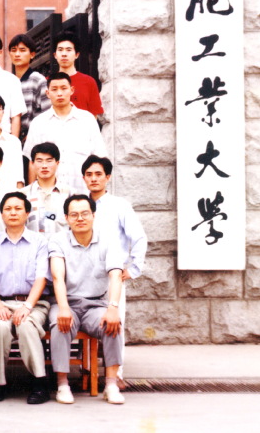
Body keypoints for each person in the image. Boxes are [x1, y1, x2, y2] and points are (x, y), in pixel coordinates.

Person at [49, 195, 126, 405]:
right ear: (66, 218)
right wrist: (63, 307)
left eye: (85, 213)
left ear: (93, 215)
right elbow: (57, 276)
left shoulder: (108, 239)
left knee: (113, 324)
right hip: (67, 301)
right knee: (59, 323)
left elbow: (116, 275)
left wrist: (113, 307)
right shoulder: (58, 240)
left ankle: (111, 385)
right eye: (74, 214)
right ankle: (62, 385)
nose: (80, 218)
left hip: (96, 303)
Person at [82, 155, 147, 386]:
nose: (94, 178)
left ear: (108, 177)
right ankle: (87, 372)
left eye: (98, 174)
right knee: (87, 324)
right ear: (83, 178)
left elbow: (138, 237)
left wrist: (133, 268)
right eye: (89, 174)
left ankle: (116, 374)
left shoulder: (119, 205)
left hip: (113, 276)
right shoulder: (80, 204)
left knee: (115, 322)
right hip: (84, 276)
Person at [0, 192, 51, 404]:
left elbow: (41, 278)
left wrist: (27, 306)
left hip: (34, 303)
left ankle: (39, 382)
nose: (12, 212)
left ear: (27, 213)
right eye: (8, 209)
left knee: (26, 325)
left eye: (17, 208)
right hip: (2, 302)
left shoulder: (40, 242)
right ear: (2, 214)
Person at [23, 73, 107, 195]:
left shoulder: (87, 120)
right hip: (49, 195)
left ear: (72, 90)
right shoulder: (38, 123)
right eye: (54, 89)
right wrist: (32, 196)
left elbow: (100, 158)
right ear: (47, 93)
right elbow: (32, 163)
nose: (59, 93)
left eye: (64, 88)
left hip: (82, 193)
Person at [22, 141, 70, 240]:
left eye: (49, 161)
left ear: (57, 163)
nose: (44, 166)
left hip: (62, 248)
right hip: (33, 248)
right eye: (39, 161)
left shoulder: (69, 194)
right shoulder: (23, 195)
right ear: (32, 163)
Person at [8, 33, 50, 143]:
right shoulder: (7, 81)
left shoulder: (38, 80)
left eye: (22, 50)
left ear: (32, 54)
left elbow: (47, 113)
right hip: (8, 138)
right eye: (13, 50)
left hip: (31, 139)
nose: (17, 54)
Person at [53, 32, 103, 117]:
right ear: (55, 55)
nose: (64, 54)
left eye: (68, 50)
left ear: (77, 55)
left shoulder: (89, 82)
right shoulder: (48, 82)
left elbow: (93, 116)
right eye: (60, 50)